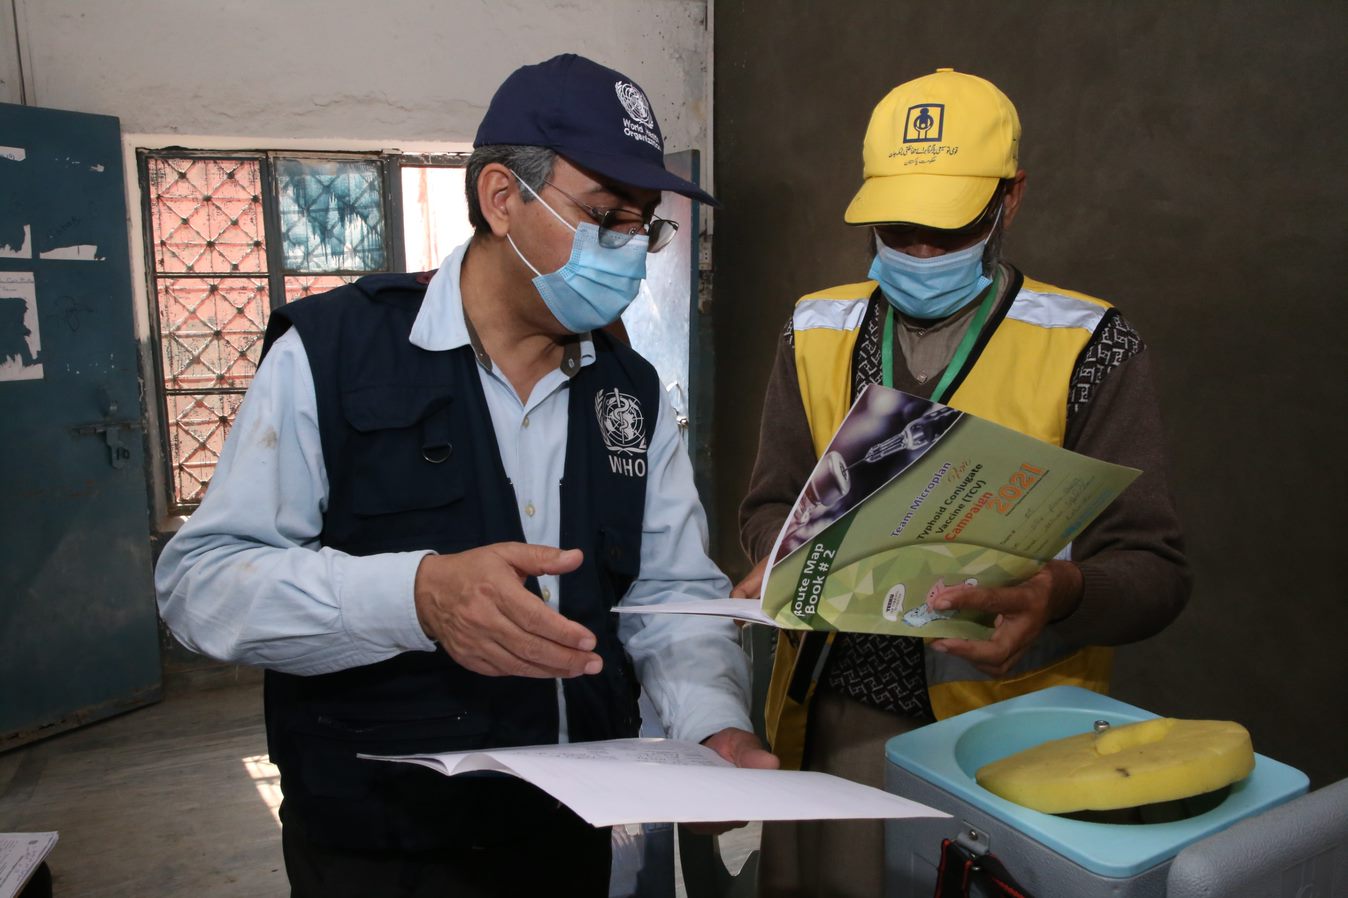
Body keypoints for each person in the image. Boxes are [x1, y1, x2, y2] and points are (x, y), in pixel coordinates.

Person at [156, 53, 775, 898]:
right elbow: (201, 587)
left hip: (572, 842)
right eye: (603, 217)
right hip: (382, 847)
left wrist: (713, 729)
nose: (629, 252)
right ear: (500, 198)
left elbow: (674, 600)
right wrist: (415, 597)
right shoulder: (333, 356)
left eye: (643, 225)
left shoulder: (627, 394)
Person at [735, 68, 1191, 897]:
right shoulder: (815, 330)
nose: (917, 252)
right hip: (829, 730)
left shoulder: (1089, 346)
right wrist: (785, 553)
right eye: (898, 225)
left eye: (947, 230)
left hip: (1003, 742)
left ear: (1010, 201)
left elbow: (1155, 572)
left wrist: (1058, 591)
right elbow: (768, 504)